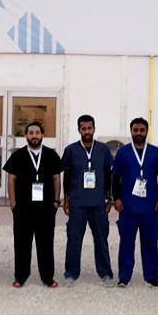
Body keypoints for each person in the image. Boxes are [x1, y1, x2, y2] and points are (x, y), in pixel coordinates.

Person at [3, 120, 63, 288]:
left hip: (46, 208)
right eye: (31, 133)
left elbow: (56, 178)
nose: (34, 136)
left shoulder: (51, 155)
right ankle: (20, 276)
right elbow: (11, 179)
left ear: (42, 135)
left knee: (46, 243)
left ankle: (47, 277)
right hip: (23, 208)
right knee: (22, 243)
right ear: (26, 136)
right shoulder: (18, 155)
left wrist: (56, 201)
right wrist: (13, 203)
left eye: (37, 132)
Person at [111, 117, 158, 288]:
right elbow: (115, 177)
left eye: (142, 130)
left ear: (146, 132)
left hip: (150, 206)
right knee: (126, 242)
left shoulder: (155, 152)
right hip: (127, 206)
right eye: (135, 130)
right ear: (131, 132)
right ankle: (124, 277)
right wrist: (116, 198)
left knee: (150, 241)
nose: (138, 133)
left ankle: (151, 277)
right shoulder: (123, 152)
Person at [61, 114, 115, 287]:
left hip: (98, 202)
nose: (87, 131)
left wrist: (109, 197)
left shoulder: (103, 149)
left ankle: (105, 273)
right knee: (74, 239)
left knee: (101, 239)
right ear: (79, 130)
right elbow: (67, 176)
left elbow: (108, 174)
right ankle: (71, 273)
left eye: (89, 128)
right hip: (77, 202)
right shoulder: (70, 150)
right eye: (83, 128)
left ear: (94, 129)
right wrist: (66, 198)